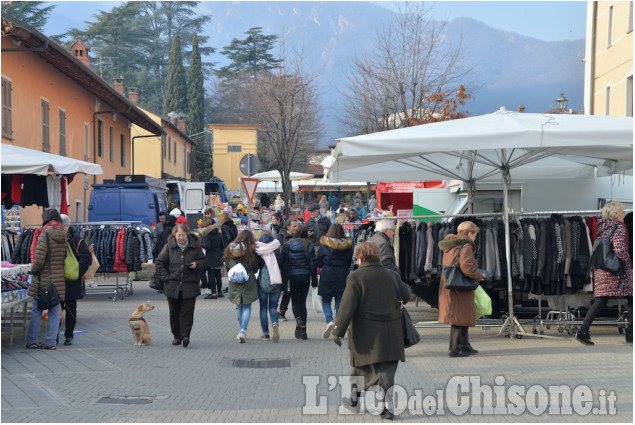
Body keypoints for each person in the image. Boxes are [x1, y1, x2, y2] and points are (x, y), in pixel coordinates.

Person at [331, 241, 411, 420]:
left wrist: (338, 331)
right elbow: (406, 296)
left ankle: (354, 401)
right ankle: (387, 407)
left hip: (365, 334)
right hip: (391, 332)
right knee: (387, 371)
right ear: (377, 256)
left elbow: (347, 306)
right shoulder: (391, 274)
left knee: (360, 366)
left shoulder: (356, 277)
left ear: (360, 257)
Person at [577, 202, 633, 345]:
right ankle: (631, 333)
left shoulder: (602, 227)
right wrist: (628, 266)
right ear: (615, 214)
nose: (622, 215)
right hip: (616, 271)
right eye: (621, 212)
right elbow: (620, 249)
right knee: (632, 298)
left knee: (601, 300)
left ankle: (583, 331)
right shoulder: (618, 227)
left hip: (602, 269)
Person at [438, 221, 486, 357]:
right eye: (475, 235)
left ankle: (464, 345)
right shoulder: (465, 245)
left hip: (452, 285)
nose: (475, 238)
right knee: (458, 318)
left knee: (461, 317)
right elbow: (467, 267)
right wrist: (479, 275)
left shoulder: (452, 243)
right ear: (470, 233)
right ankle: (454, 349)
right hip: (460, 287)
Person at [155, 223, 206, 348]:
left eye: (183, 235)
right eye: (178, 235)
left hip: (190, 285)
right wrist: (166, 277)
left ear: (187, 234)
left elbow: (204, 261)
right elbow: (159, 262)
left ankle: (185, 336)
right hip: (173, 285)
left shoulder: (195, 246)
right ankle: (176, 336)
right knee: (174, 312)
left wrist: (197, 265)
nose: (181, 238)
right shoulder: (169, 247)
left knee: (187, 312)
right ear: (174, 235)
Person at [26, 209, 67, 350]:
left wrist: (34, 270)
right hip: (58, 278)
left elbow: (40, 259)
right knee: (55, 311)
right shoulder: (63, 234)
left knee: (37, 309)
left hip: (44, 278)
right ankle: (51, 342)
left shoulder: (45, 235)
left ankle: (32, 340)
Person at [60, 214, 92, 346]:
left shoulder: (76, 240)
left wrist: (76, 272)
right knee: (56, 309)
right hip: (58, 279)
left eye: (61, 226)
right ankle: (53, 336)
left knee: (70, 309)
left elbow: (87, 258)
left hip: (72, 281)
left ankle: (69, 335)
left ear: (67, 226)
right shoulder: (55, 239)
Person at [317, 224, 353, 338]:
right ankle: (338, 325)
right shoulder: (348, 245)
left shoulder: (324, 244)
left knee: (326, 300)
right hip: (342, 273)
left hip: (327, 273)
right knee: (339, 300)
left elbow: (319, 262)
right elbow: (349, 261)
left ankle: (329, 321)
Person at [282, 224, 318, 340]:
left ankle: (298, 319)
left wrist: (284, 279)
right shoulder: (309, 245)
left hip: (293, 276)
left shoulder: (287, 245)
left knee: (295, 301)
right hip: (305, 276)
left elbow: (285, 263)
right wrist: (314, 280)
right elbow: (313, 264)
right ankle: (304, 331)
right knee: (302, 302)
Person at [225, 230, 261, 343]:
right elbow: (255, 264)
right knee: (247, 305)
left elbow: (227, 262)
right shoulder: (251, 249)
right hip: (248, 279)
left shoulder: (230, 248)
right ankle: (243, 330)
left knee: (238, 305)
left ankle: (241, 330)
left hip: (234, 279)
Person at [256, 232, 284, 342]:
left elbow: (255, 266)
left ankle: (265, 333)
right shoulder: (278, 250)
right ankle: (275, 323)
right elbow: (283, 266)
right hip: (276, 283)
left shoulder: (258, 252)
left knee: (263, 308)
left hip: (262, 284)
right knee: (273, 307)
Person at [199, 215, 225, 299]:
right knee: (218, 275)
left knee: (211, 276)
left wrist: (202, 244)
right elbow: (223, 246)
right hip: (219, 257)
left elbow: (207, 246)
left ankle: (213, 293)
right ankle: (220, 292)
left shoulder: (208, 236)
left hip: (210, 258)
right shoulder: (219, 235)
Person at [277, 218, 298, 321]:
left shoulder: (297, 236)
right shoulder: (280, 236)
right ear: (288, 227)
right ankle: (273, 309)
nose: (296, 228)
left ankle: (282, 311)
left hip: (293, 268)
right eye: (294, 226)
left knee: (288, 291)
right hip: (281, 268)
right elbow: (278, 252)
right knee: (279, 290)